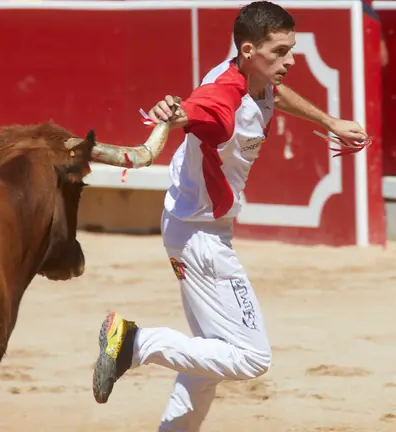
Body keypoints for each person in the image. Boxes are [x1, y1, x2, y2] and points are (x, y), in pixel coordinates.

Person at [92, 1, 368, 430]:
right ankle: (134, 342)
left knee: (209, 355)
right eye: (279, 52)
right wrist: (176, 113)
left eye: (291, 49)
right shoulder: (221, 98)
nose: (290, 61)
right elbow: (198, 109)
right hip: (201, 239)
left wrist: (328, 120)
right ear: (247, 50)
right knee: (250, 357)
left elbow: (272, 91)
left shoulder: (251, 75)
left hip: (195, 226)